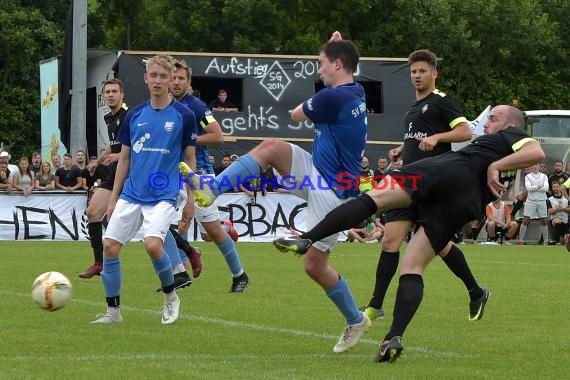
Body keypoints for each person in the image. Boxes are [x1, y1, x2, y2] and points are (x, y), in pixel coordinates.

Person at [273, 104, 544, 362]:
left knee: (374, 198)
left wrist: (494, 166)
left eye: (493, 118)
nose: (486, 122)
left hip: (447, 171)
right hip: (466, 199)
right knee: (412, 266)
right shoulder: (501, 149)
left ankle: (307, 238)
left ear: (511, 124)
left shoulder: (513, 135)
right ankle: (394, 337)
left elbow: (536, 152)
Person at [184, 31, 371, 353]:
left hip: (331, 191)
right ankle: (212, 189)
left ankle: (356, 319)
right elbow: (340, 75)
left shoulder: (331, 97)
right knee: (271, 147)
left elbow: (296, 114)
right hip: (319, 172)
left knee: (313, 266)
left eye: (322, 64)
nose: (318, 70)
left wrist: (316, 93)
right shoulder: (356, 90)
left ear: (338, 64)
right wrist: (335, 47)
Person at [357, 49, 477, 323]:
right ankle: (376, 305)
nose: (417, 75)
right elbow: (418, 138)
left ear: (434, 73)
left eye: (423, 71)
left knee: (440, 245)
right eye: (413, 71)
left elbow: (465, 131)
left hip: (432, 185)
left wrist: (436, 138)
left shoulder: (441, 102)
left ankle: (475, 290)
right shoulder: (413, 108)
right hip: (409, 182)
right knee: (389, 240)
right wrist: (403, 148)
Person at [90, 54, 199, 324]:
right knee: (111, 248)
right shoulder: (135, 115)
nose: (159, 80)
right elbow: (124, 159)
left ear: (172, 79)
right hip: (131, 194)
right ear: (146, 78)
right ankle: (113, 313)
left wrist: (191, 200)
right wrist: (114, 198)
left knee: (153, 246)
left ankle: (171, 296)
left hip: (163, 195)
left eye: (164, 76)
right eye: (154, 75)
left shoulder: (184, 116)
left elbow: (190, 159)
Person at [171, 59, 249, 292]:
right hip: (172, 174)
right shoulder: (165, 106)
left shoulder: (197, 107)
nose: (175, 82)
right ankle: (181, 269)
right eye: (172, 78)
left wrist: (190, 139)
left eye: (181, 79)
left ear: (189, 82)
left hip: (200, 174)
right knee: (166, 225)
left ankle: (239, 275)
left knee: (210, 232)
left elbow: (217, 136)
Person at [79, 79, 129, 279]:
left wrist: (120, 156)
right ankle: (99, 263)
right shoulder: (110, 118)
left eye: (114, 91)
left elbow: (137, 145)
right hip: (114, 172)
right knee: (93, 212)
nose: (110, 95)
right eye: (107, 92)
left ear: (121, 95)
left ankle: (186, 251)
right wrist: (98, 161)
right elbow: (114, 144)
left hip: (131, 172)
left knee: (151, 220)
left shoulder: (129, 116)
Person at [518, 163, 549, 245]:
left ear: (539, 166)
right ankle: (520, 240)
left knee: (543, 220)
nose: (534, 167)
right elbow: (528, 188)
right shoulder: (528, 176)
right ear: (531, 166)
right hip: (531, 200)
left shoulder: (544, 176)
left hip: (542, 200)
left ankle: (546, 242)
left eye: (536, 165)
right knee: (525, 219)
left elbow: (546, 188)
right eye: (533, 165)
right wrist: (538, 186)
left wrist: (534, 187)